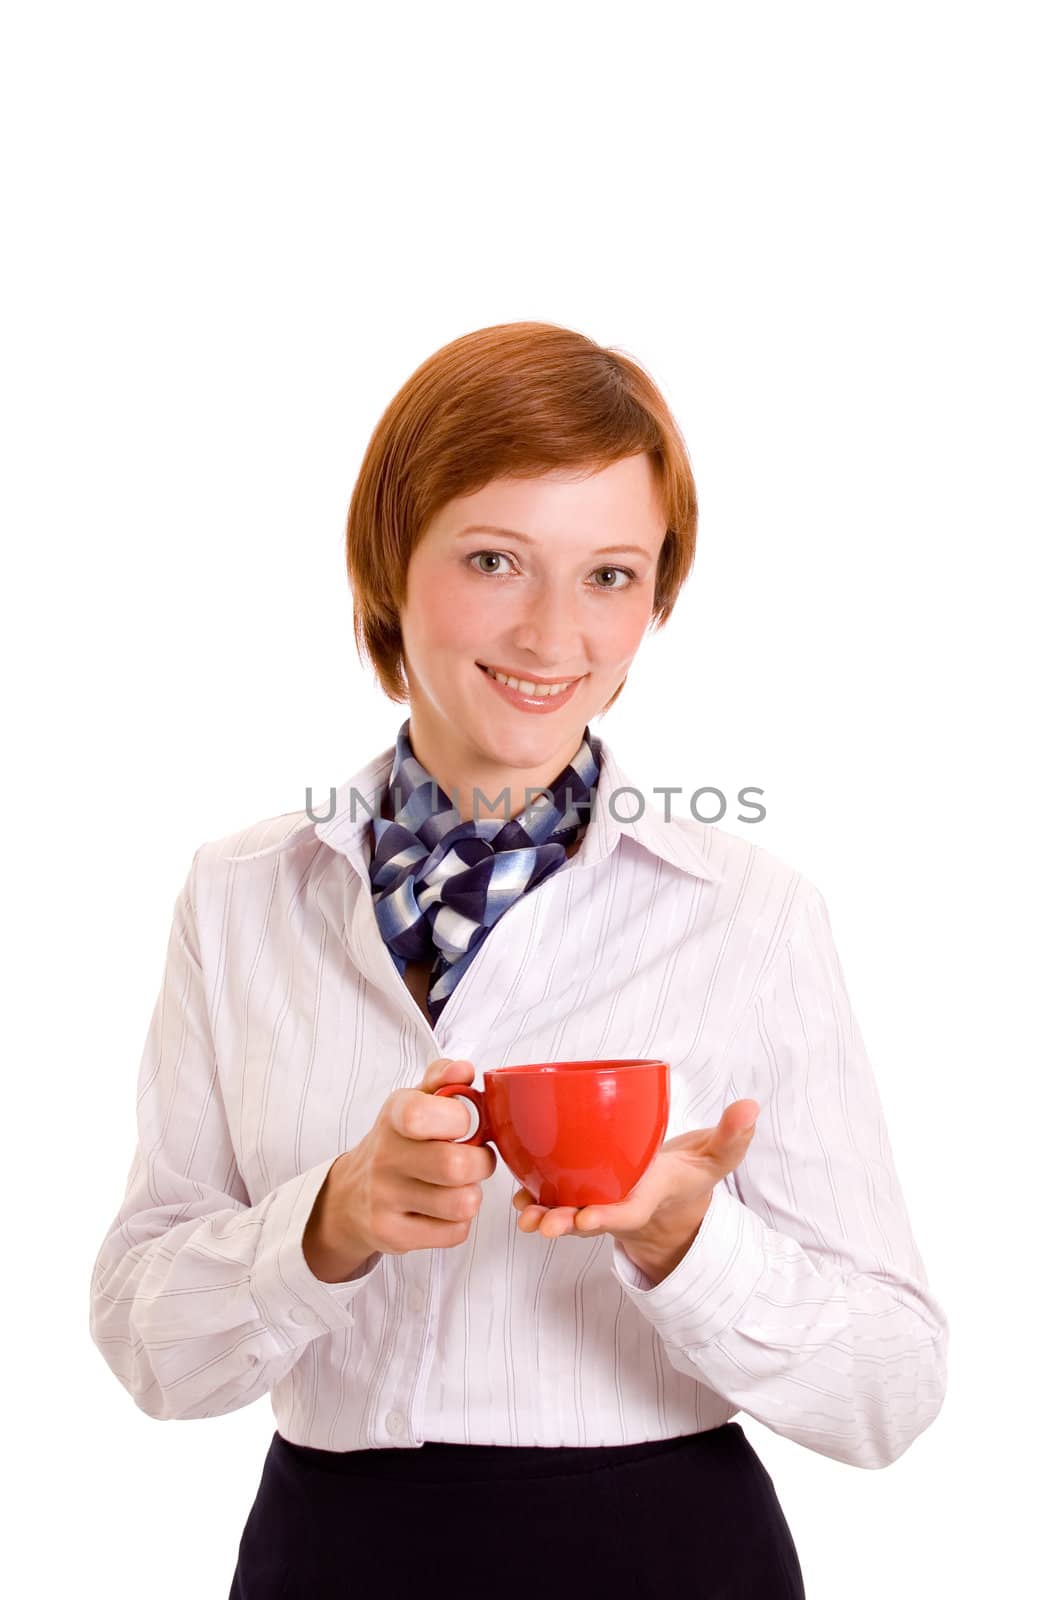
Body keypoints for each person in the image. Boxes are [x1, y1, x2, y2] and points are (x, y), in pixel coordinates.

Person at [88, 320, 948, 1599]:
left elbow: (888, 1391)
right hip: (329, 1555)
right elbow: (152, 1352)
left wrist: (682, 1237)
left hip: (662, 1553)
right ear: (392, 564)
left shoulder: (748, 912)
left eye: (610, 574)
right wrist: (321, 1226)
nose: (554, 635)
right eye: (495, 559)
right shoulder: (242, 894)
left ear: (657, 597)